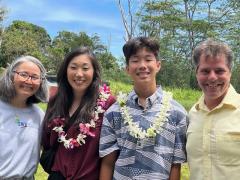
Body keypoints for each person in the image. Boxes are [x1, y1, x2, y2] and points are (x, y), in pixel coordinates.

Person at [99, 37, 188, 180]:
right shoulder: (113, 113)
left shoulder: (177, 113)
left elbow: (175, 166)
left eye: (148, 59)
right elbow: (107, 163)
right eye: (135, 60)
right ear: (127, 68)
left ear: (158, 65)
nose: (142, 65)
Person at [41, 47, 115, 180]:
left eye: (85, 68)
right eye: (73, 67)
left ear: (94, 72)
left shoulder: (107, 103)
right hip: (57, 176)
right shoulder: (56, 101)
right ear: (65, 70)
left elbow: (111, 151)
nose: (79, 74)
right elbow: (46, 141)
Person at [186, 39, 240, 179]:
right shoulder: (192, 114)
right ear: (197, 73)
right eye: (205, 71)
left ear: (230, 73)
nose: (212, 77)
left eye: (219, 70)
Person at [0, 56, 48, 179]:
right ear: (11, 76)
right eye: (23, 74)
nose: (28, 81)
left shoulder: (39, 115)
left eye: (34, 77)